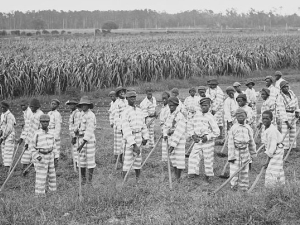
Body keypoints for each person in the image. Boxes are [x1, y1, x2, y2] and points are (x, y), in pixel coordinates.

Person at [187, 98, 220, 183]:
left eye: (206, 105)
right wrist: (193, 135)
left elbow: (217, 132)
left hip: (207, 142)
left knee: (208, 158)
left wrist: (208, 137)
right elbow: (190, 126)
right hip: (198, 140)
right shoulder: (196, 115)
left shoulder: (210, 117)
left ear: (209, 106)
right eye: (202, 105)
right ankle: (193, 173)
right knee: (193, 157)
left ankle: (208, 175)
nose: (204, 107)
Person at [122, 90, 149, 182]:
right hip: (129, 138)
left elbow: (143, 125)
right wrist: (133, 145)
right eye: (131, 97)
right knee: (127, 161)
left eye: (134, 97)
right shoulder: (125, 112)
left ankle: (138, 180)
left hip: (139, 137)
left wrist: (145, 137)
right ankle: (124, 182)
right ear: (127, 99)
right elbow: (125, 129)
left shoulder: (139, 110)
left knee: (138, 160)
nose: (133, 99)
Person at [227, 108, 257, 191]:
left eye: (242, 115)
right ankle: (234, 186)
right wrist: (231, 156)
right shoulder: (233, 128)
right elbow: (230, 144)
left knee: (244, 170)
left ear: (246, 116)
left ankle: (243, 187)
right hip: (236, 151)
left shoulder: (248, 128)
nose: (240, 117)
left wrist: (253, 153)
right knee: (234, 171)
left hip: (245, 151)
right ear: (235, 117)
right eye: (238, 115)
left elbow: (251, 141)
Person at [31, 114, 59, 197]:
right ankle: (40, 195)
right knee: (41, 175)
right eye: (43, 122)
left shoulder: (51, 133)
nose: (45, 123)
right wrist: (37, 156)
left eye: (47, 122)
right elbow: (32, 147)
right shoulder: (37, 133)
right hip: (41, 156)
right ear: (40, 122)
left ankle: (53, 192)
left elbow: (54, 145)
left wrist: (56, 157)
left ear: (49, 122)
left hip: (50, 155)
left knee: (52, 175)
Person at [163, 97, 186, 181]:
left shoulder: (180, 116)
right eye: (170, 105)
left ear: (177, 105)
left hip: (179, 140)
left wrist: (173, 145)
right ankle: (175, 173)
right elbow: (165, 126)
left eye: (173, 105)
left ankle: (178, 177)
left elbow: (179, 132)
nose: (171, 107)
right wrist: (165, 134)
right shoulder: (169, 114)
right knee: (173, 158)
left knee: (179, 158)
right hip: (170, 138)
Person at [75, 96, 96, 184]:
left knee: (90, 160)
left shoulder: (91, 115)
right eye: (82, 105)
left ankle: (89, 181)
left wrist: (82, 144)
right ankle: (83, 179)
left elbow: (89, 130)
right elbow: (77, 126)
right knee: (81, 161)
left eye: (85, 105)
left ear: (89, 105)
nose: (84, 106)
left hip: (88, 141)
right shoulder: (80, 114)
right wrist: (75, 132)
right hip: (80, 139)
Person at [262, 110, 285, 188]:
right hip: (274, 149)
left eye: (267, 118)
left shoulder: (272, 130)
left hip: (277, 150)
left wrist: (268, 160)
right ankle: (279, 186)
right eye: (263, 118)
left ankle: (271, 187)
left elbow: (272, 147)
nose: (265, 120)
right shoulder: (266, 128)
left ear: (271, 119)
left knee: (272, 169)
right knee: (277, 168)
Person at [19, 98, 44, 171]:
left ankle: (32, 170)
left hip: (36, 138)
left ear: (37, 107)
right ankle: (25, 169)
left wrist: (31, 141)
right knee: (26, 154)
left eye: (32, 107)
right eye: (30, 107)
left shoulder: (39, 115)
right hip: (30, 138)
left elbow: (37, 129)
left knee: (35, 155)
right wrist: (26, 141)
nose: (31, 108)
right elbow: (29, 127)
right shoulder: (33, 114)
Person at [277, 81, 299, 151]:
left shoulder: (291, 93)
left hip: (293, 114)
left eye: (287, 86)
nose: (286, 88)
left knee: (293, 130)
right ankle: (285, 148)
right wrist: (287, 122)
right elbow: (282, 110)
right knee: (285, 132)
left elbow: (296, 102)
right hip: (286, 115)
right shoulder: (280, 97)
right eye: (284, 87)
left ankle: (292, 146)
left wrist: (297, 111)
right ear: (281, 89)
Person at [112, 86, 128, 163]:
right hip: (120, 126)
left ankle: (126, 158)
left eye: (123, 92)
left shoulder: (127, 101)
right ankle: (119, 159)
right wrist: (120, 127)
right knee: (119, 143)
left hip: (127, 124)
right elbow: (116, 116)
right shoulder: (116, 103)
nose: (122, 93)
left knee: (126, 142)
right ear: (118, 94)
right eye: (120, 92)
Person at [0, 101, 16, 172]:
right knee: (3, 149)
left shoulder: (10, 115)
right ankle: (5, 165)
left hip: (9, 135)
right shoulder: (2, 115)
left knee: (8, 151)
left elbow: (9, 128)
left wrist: (3, 137)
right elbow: (1, 126)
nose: (2, 108)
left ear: (7, 107)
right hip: (3, 135)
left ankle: (8, 166)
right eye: (1, 107)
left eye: (4, 107)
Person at [66, 98, 81, 165]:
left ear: (75, 105)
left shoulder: (77, 113)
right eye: (69, 105)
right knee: (74, 149)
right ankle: (75, 162)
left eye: (72, 105)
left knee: (76, 149)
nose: (70, 106)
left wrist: (74, 137)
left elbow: (77, 125)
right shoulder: (72, 113)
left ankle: (78, 164)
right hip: (72, 134)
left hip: (76, 135)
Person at [160, 92, 170, 163]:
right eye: (163, 99)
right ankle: (165, 160)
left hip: (168, 128)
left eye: (165, 99)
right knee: (164, 144)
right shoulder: (163, 107)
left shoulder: (169, 108)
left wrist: (165, 130)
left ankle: (168, 160)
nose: (164, 100)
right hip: (163, 127)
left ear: (168, 98)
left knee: (168, 143)